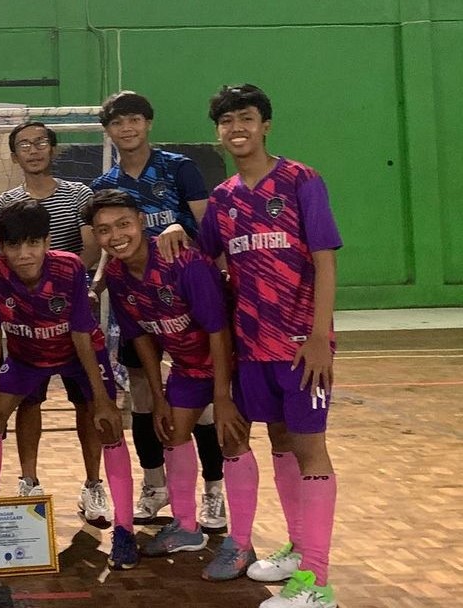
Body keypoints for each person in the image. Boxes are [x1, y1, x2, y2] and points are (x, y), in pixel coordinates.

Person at [199, 84, 342, 608]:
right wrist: (170, 230)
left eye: (246, 118)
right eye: (227, 121)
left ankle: (317, 582)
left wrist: (320, 337)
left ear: (265, 125)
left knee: (310, 450)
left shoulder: (302, 180)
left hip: (301, 345)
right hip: (252, 347)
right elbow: (205, 258)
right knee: (279, 440)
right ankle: (299, 549)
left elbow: (325, 260)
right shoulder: (222, 199)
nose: (236, 128)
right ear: (218, 132)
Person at [92, 189, 253, 581]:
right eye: (104, 230)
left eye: (123, 224)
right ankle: (186, 527)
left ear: (141, 222)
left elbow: (218, 331)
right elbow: (141, 338)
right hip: (186, 367)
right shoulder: (117, 275)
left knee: (232, 439)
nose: (116, 236)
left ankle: (241, 543)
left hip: (232, 364)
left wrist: (222, 397)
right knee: (172, 433)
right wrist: (159, 396)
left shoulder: (183, 262)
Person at [0, 199, 136, 570]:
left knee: (105, 421)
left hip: (78, 352)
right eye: (14, 245)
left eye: (33, 243)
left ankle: (113, 515)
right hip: (26, 355)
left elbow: (81, 333)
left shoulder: (68, 267)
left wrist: (103, 399)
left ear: (47, 242)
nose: (24, 254)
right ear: (1, 245)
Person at [90, 90, 227, 531]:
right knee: (145, 398)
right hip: (137, 299)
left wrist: (177, 228)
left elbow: (207, 230)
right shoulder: (105, 185)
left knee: (203, 403)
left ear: (148, 123)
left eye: (134, 119)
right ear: (108, 131)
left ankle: (214, 490)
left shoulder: (178, 168)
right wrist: (96, 282)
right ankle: (154, 485)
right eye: (117, 122)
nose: (126, 128)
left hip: (185, 296)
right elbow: (107, 246)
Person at [0, 122, 109, 530]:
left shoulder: (78, 194)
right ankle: (28, 481)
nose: (33, 150)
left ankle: (93, 485)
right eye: (24, 145)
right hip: (28, 323)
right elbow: (5, 255)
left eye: (41, 142)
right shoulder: (7, 201)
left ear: (53, 149)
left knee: (88, 404)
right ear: (14, 156)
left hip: (72, 309)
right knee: (29, 402)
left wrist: (60, 279)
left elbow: (91, 247)